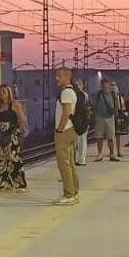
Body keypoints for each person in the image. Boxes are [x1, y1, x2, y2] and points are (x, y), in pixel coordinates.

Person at [53, 68, 80, 205]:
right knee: (70, 163)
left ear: (67, 77)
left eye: (59, 76)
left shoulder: (66, 93)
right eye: (56, 76)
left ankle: (69, 194)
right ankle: (74, 192)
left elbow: (66, 113)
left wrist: (59, 129)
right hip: (70, 130)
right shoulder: (71, 92)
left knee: (63, 164)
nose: (57, 78)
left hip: (65, 131)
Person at [0, 84, 28, 192]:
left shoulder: (14, 105)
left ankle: (20, 183)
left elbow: (22, 119)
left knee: (14, 159)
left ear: (9, 93)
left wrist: (18, 131)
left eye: (4, 91)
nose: (2, 94)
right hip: (2, 136)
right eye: (0, 91)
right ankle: (5, 183)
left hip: (12, 134)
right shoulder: (0, 106)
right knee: (2, 160)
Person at [93, 79, 122, 161]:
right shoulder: (98, 94)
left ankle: (112, 154)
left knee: (111, 137)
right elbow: (94, 104)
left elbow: (117, 105)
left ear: (109, 85)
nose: (104, 86)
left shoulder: (113, 94)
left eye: (106, 84)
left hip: (110, 118)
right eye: (102, 84)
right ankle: (99, 154)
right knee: (99, 137)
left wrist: (116, 115)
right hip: (100, 118)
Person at [73, 77, 91, 167]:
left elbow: (84, 108)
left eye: (78, 85)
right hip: (82, 121)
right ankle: (79, 159)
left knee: (81, 141)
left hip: (81, 121)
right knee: (80, 141)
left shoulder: (82, 95)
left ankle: (81, 160)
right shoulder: (83, 95)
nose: (77, 86)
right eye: (76, 85)